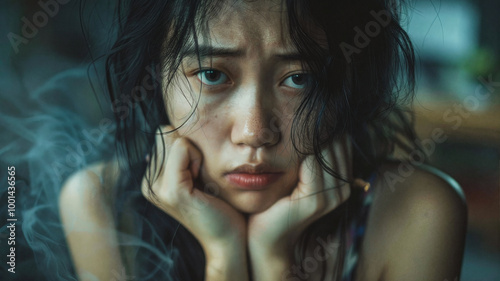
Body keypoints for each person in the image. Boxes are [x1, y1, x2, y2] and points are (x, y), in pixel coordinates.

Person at [59, 0, 468, 280]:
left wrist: (275, 264)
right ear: (156, 78)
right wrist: (224, 257)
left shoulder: (417, 210)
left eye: (299, 79)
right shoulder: (102, 205)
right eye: (212, 74)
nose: (255, 132)